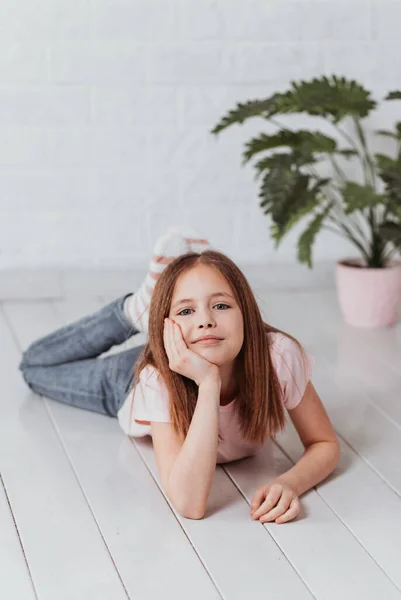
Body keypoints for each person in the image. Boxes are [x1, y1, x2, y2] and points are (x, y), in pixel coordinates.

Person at [19, 227, 340, 523]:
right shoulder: (154, 381)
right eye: (186, 310)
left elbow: (324, 442)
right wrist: (209, 383)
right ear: (168, 323)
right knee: (34, 367)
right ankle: (134, 311)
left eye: (221, 305)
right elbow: (189, 504)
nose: (206, 321)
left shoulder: (278, 356)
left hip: (186, 353)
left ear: (247, 313)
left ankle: (160, 305)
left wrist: (290, 482)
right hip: (132, 380)